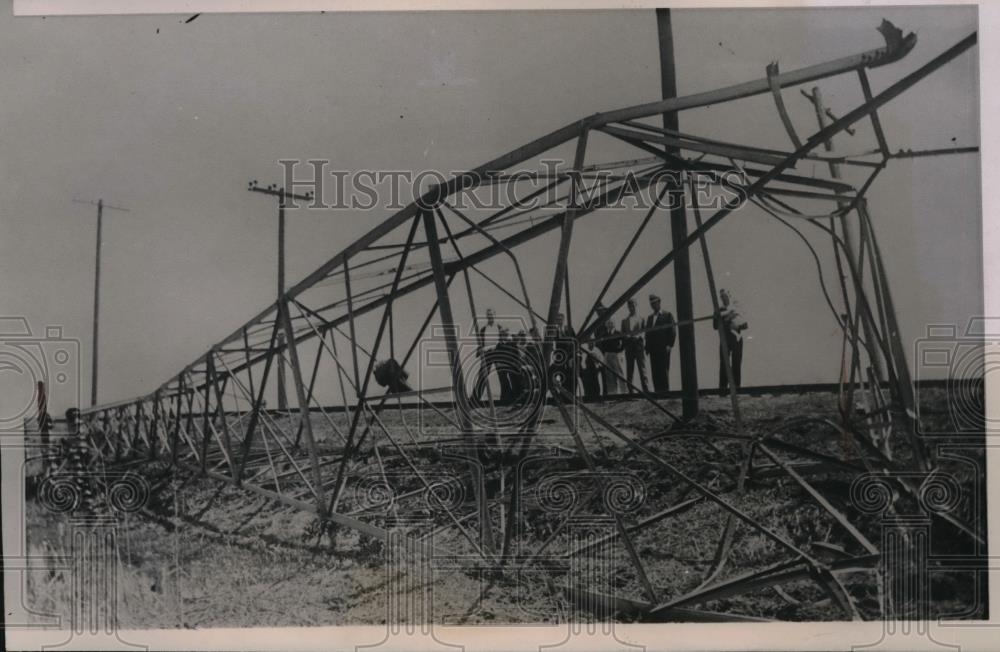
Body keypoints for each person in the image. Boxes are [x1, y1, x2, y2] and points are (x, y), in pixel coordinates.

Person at [714, 288, 747, 395]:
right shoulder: (719, 309)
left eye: (725, 296)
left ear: (729, 295)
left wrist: (737, 325)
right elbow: (715, 325)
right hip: (725, 339)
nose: (724, 298)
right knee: (724, 364)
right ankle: (722, 391)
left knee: (736, 363)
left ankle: (737, 390)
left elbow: (745, 325)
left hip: (736, 339)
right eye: (721, 297)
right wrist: (726, 319)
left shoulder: (737, 308)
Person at [644, 294, 676, 393]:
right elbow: (647, 333)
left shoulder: (667, 315)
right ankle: (658, 393)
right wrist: (647, 348)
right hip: (653, 350)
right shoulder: (649, 318)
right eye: (651, 304)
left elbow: (672, 331)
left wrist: (669, 345)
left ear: (659, 302)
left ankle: (665, 392)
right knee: (655, 371)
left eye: (655, 303)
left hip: (663, 348)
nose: (653, 305)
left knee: (663, 370)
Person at [474, 308, 503, 404]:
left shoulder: (499, 327)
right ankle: (476, 398)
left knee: (502, 374)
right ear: (487, 316)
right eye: (488, 315)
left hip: (498, 353)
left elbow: (502, 341)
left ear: (495, 315)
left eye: (492, 314)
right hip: (487, 354)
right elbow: (481, 342)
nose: (490, 316)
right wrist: (479, 350)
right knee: (482, 375)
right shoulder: (483, 329)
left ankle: (506, 397)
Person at [620, 298, 648, 392]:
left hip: (639, 347)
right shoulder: (624, 321)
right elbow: (622, 334)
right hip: (629, 348)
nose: (631, 308)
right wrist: (626, 337)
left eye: (633, 306)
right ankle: (630, 390)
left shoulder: (641, 319)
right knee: (630, 369)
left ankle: (646, 389)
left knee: (642, 368)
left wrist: (639, 336)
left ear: (636, 306)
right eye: (630, 306)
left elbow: (644, 332)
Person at [594, 305, 623, 395]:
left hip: (610, 352)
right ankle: (608, 393)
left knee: (617, 372)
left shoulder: (608, 322)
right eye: (598, 312)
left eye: (601, 311)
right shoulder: (597, 325)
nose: (599, 313)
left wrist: (619, 350)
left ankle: (619, 392)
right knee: (606, 374)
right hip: (601, 352)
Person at [548, 312, 579, 397]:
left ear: (564, 320)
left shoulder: (568, 329)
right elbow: (550, 343)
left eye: (560, 319)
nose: (559, 321)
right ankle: (561, 394)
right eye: (557, 320)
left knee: (570, 375)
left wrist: (573, 357)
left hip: (569, 356)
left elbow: (575, 342)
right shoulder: (554, 331)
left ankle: (571, 395)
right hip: (559, 357)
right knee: (557, 373)